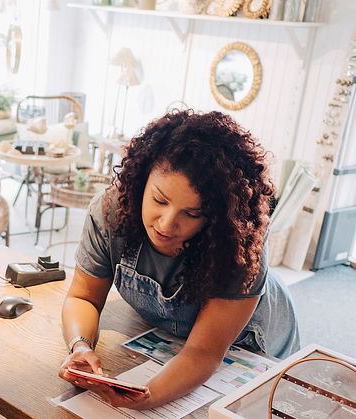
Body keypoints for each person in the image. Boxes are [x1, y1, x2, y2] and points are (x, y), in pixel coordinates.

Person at [59, 110, 300, 410]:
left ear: (215, 217)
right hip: (176, 340)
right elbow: (83, 297)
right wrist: (80, 345)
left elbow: (203, 353)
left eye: (192, 214)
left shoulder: (237, 242)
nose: (166, 224)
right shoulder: (111, 211)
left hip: (254, 345)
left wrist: (148, 395)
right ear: (141, 181)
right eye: (159, 200)